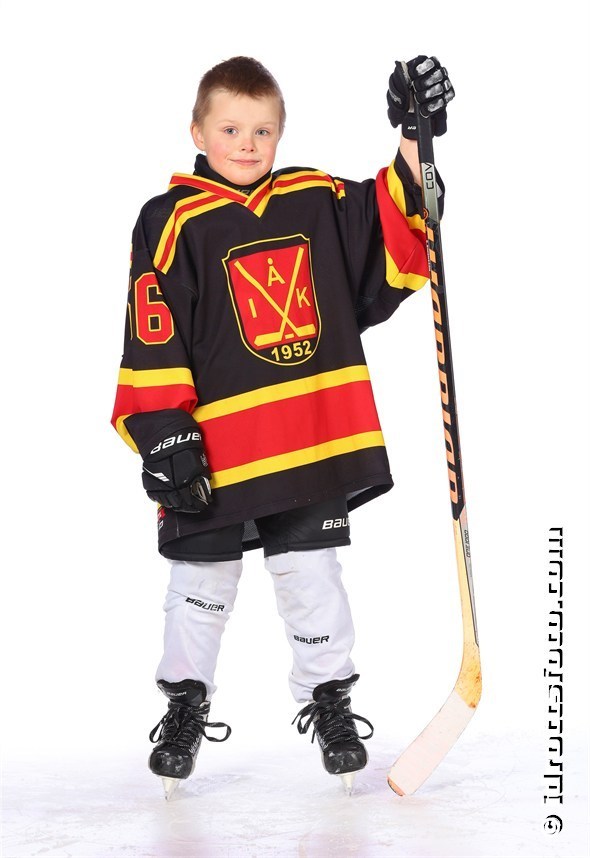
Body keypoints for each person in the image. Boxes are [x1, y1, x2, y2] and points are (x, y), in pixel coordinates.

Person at [111, 55, 453, 798]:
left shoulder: (313, 196)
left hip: (307, 437)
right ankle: (185, 707)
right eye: (231, 129)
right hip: (216, 447)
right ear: (197, 132)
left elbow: (395, 222)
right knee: (200, 583)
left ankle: (331, 702)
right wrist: (165, 434)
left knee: (312, 575)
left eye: (263, 130)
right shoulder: (170, 220)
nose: (247, 143)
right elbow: (153, 328)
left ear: (280, 133)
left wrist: (414, 135)